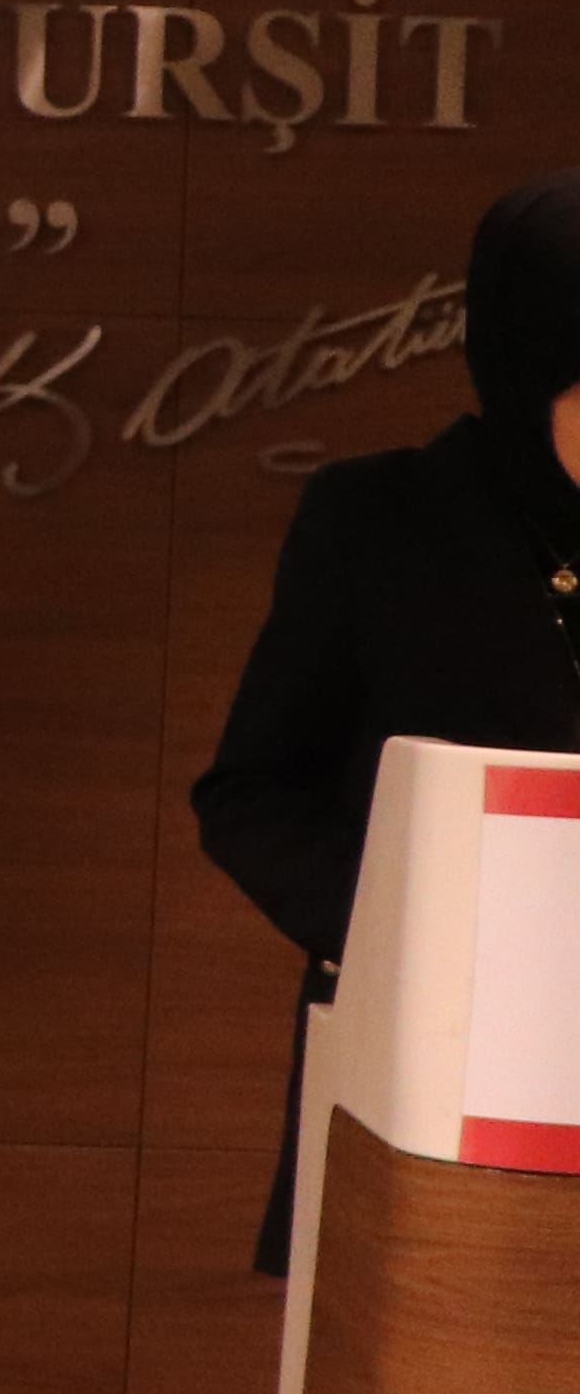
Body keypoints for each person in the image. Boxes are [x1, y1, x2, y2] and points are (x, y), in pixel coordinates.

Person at [193, 169, 580, 1269]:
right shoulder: (382, 521)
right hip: (437, 1079)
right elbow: (252, 792)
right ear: (530, 366)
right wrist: (411, 933)